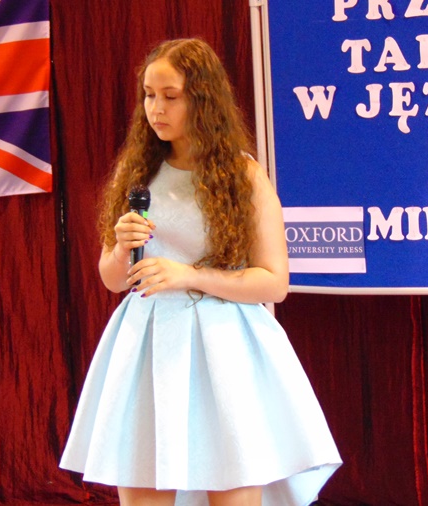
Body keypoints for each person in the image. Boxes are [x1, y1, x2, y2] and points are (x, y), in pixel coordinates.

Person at [60, 38, 341, 506]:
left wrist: (188, 275)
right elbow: (112, 279)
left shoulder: (242, 175)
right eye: (149, 95)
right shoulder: (137, 170)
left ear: (203, 99)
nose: (156, 109)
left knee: (233, 485)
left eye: (170, 96)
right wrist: (121, 246)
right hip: (148, 344)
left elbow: (274, 282)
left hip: (226, 348)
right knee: (143, 485)